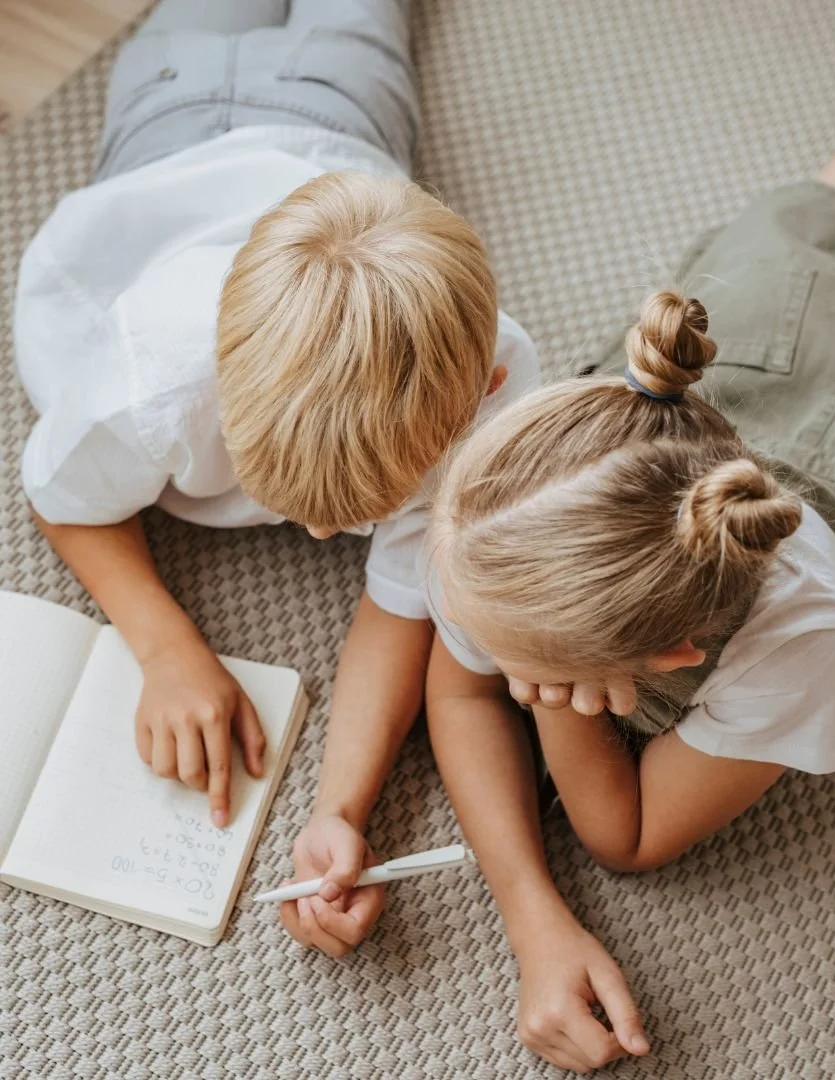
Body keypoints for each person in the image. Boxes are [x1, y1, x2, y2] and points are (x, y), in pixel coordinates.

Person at [422, 35, 835, 1072]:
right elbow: (457, 692)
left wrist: (548, 703)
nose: (481, 657)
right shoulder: (500, 521)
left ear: (674, 659)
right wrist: (530, 916)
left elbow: (624, 835)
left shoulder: (796, 641)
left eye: (531, 670)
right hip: (759, 335)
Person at [14, 0, 539, 955]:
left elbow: (402, 603)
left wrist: (342, 807)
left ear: (486, 391)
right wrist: (166, 645)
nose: (320, 541)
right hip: (168, 108)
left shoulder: (492, 387)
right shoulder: (155, 379)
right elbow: (60, 497)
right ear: (218, 390)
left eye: (353, 517)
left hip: (344, 110)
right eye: (295, 506)